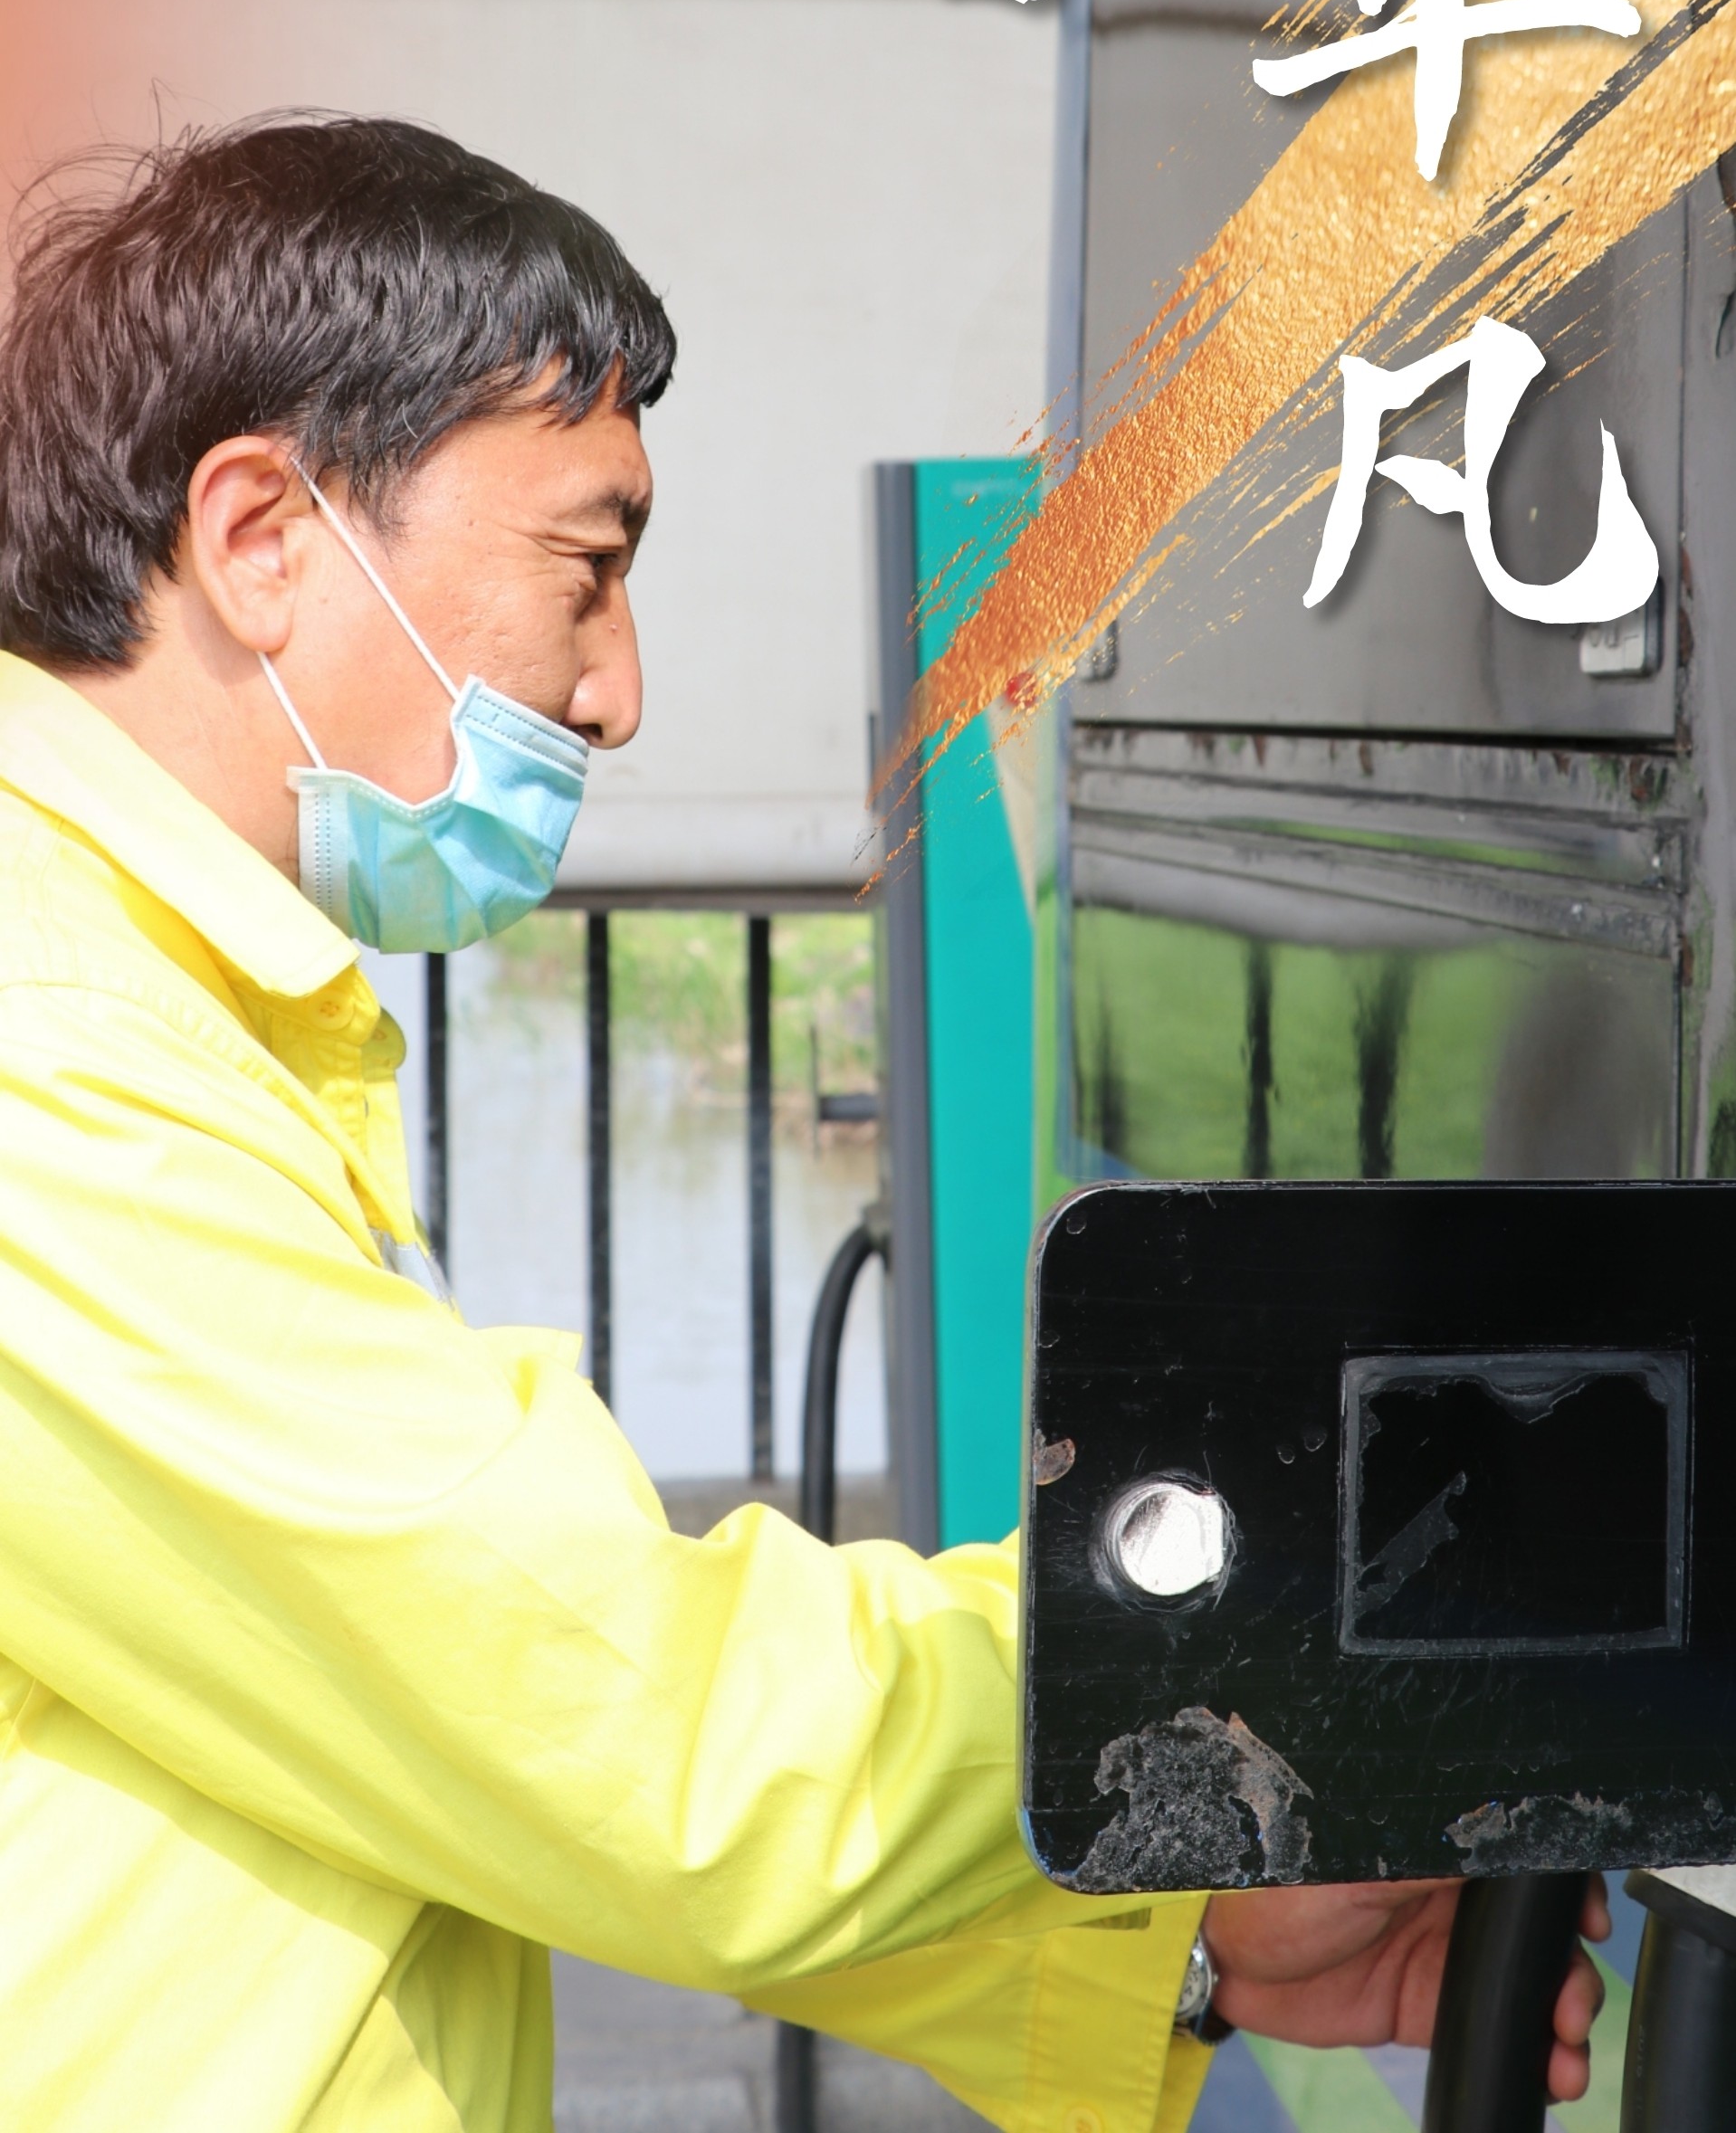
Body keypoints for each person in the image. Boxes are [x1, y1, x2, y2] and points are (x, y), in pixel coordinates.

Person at [0, 115, 1605, 2131]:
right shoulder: (48, 1046)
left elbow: (447, 1738)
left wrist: (1187, 1929)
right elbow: (600, 1700)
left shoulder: (144, 999)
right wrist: (1189, 1691)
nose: (619, 692)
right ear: (261, 536)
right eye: (586, 566)